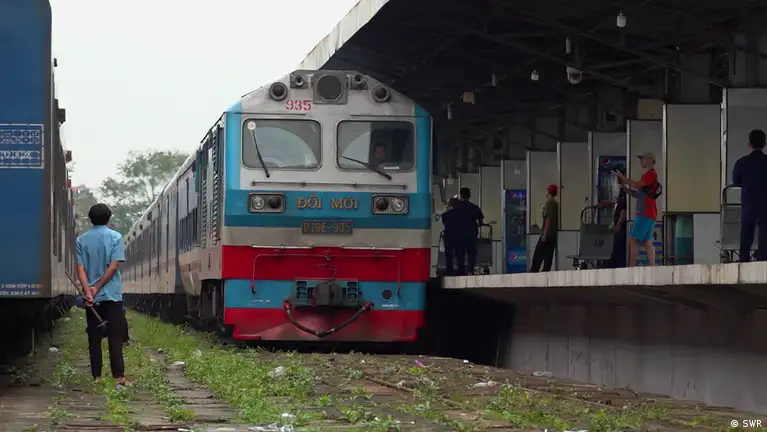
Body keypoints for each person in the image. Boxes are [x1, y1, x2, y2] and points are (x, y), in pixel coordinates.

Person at [75, 203, 130, 385]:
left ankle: (96, 376)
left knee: (94, 336)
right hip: (112, 295)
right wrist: (98, 288)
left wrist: (89, 291)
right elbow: (113, 267)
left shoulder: (81, 240)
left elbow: (80, 269)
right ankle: (119, 376)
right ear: (109, 218)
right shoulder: (116, 237)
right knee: (115, 336)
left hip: (92, 299)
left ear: (90, 219)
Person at [614, 152, 659, 266]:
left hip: (644, 213)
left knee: (633, 240)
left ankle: (632, 266)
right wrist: (625, 189)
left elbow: (635, 185)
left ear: (649, 160)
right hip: (649, 213)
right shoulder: (647, 176)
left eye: (642, 159)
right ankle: (653, 267)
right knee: (647, 242)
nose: (640, 162)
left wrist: (623, 177)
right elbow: (638, 194)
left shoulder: (651, 175)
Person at [732, 129, 767, 261]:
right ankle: (763, 259)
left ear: (749, 144)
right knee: (765, 233)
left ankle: (744, 259)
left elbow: (736, 180)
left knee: (746, 232)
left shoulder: (742, 162)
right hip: (766, 202)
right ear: (765, 144)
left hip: (749, 201)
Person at [452, 187, 484, 275]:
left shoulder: (456, 208)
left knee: (460, 252)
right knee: (471, 252)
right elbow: (481, 222)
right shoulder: (475, 207)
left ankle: (461, 271)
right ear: (469, 195)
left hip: (459, 234)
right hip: (471, 234)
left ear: (461, 195)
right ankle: (470, 270)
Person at [530, 185, 559, 272]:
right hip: (553, 234)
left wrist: (544, 233)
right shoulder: (556, 204)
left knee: (538, 255)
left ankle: (533, 272)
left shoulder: (549, 203)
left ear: (549, 192)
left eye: (546, 190)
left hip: (547, 234)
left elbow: (548, 219)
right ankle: (546, 272)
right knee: (548, 256)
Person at [598, 182, 628, 268]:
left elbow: (624, 210)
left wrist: (618, 224)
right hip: (618, 225)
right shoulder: (622, 194)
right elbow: (617, 205)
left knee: (618, 248)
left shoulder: (625, 194)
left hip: (622, 227)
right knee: (616, 247)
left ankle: (614, 265)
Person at [440, 198, 460, 276]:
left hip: (448, 235)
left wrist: (446, 210)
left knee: (448, 254)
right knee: (459, 253)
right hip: (458, 235)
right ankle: (460, 269)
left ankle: (449, 270)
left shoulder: (445, 215)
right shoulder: (460, 215)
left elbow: (444, 221)